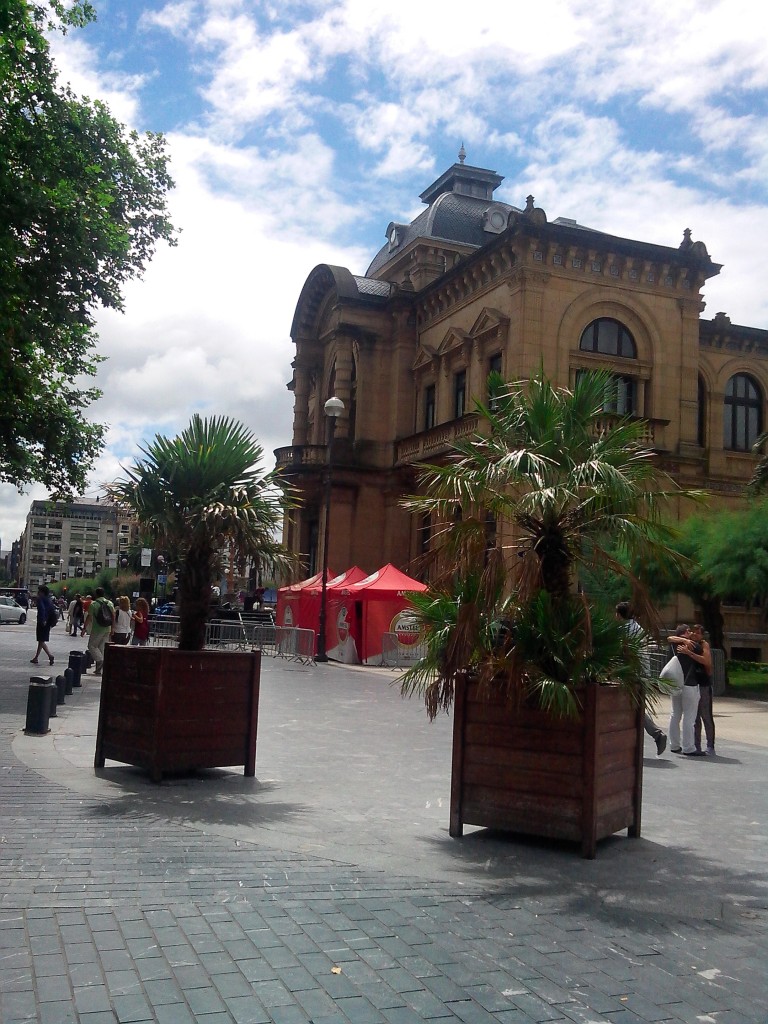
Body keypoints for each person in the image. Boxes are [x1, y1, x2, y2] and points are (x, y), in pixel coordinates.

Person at [615, 601, 667, 755]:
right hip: (642, 673)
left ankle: (654, 734)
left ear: (619, 614)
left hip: (630, 674)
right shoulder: (638, 628)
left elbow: (621, 653)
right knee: (636, 706)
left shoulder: (624, 630)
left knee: (631, 707)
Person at [666, 625, 704, 756]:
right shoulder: (692, 644)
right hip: (690, 684)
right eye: (689, 631)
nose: (691, 633)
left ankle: (674, 745)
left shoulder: (672, 645)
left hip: (675, 683)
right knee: (689, 717)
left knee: (675, 714)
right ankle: (688, 747)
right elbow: (700, 652)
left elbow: (670, 638)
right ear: (685, 632)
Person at [687, 623, 716, 755]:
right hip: (693, 685)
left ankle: (710, 745)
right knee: (695, 717)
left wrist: (690, 654)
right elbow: (671, 638)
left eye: (698, 633)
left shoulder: (704, 645)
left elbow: (706, 661)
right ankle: (696, 745)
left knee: (706, 715)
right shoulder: (688, 643)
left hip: (704, 684)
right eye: (693, 632)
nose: (694, 635)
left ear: (702, 635)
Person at [84, 587, 115, 676]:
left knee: (92, 646)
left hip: (97, 629)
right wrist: (112, 628)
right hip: (107, 629)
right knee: (101, 648)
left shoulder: (93, 604)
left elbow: (89, 618)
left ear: (96, 594)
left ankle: (100, 660)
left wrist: (84, 628)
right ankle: (98, 670)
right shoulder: (110, 603)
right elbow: (113, 616)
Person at [30, 584, 56, 666]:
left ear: (42, 592)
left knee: (41, 639)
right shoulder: (49, 600)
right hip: (48, 621)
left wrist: (42, 619)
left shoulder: (40, 599)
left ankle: (50, 655)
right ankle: (36, 657)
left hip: (42, 621)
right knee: (41, 640)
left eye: (39, 591)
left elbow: (42, 609)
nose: (38, 592)